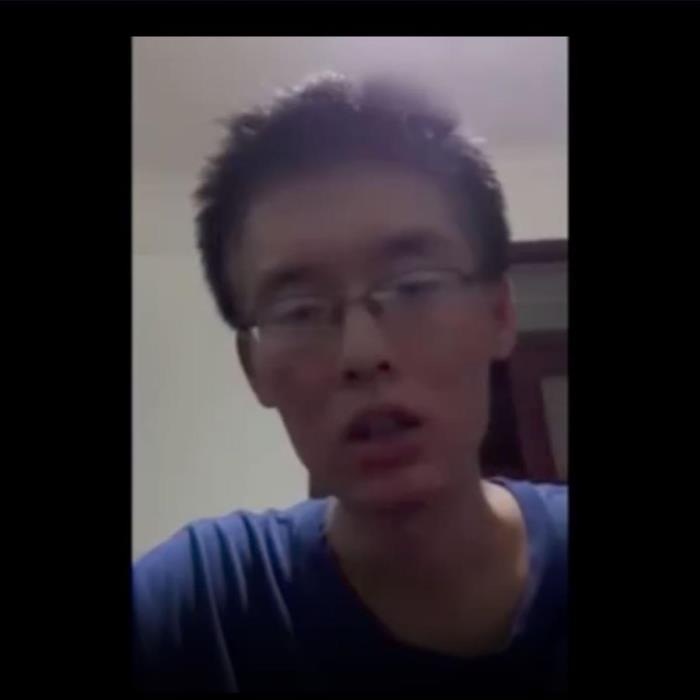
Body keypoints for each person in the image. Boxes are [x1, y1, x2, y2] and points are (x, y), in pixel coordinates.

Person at [132, 72, 567, 693]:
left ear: (499, 316)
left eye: (413, 287)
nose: (361, 354)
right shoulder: (198, 608)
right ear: (253, 369)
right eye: (299, 311)